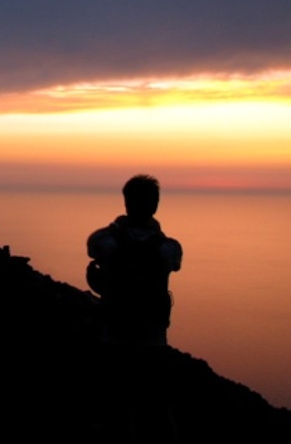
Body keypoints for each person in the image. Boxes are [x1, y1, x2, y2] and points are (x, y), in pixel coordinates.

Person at [86, 174, 183, 442]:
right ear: (156, 205)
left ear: (126, 203)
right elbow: (175, 263)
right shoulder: (168, 248)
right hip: (152, 339)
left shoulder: (106, 241)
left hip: (114, 333)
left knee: (113, 404)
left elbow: (94, 248)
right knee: (155, 408)